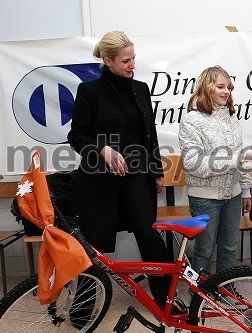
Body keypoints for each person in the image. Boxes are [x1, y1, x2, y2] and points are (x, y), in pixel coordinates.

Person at [67, 31, 171, 306]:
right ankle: (83, 308)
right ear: (108, 61)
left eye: (133, 58)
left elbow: (151, 134)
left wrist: (157, 171)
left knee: (149, 236)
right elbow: (76, 135)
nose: (132, 64)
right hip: (99, 181)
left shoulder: (141, 89)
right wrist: (102, 149)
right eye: (126, 60)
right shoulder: (89, 92)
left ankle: (166, 300)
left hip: (137, 176)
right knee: (95, 245)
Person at [179, 66, 252, 276]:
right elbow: (193, 163)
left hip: (234, 195)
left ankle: (225, 292)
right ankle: (199, 298)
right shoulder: (192, 120)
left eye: (228, 87)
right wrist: (234, 160)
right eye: (220, 86)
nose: (226, 91)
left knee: (229, 250)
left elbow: (240, 160)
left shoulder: (232, 118)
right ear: (206, 88)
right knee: (204, 250)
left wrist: (246, 190)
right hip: (205, 198)